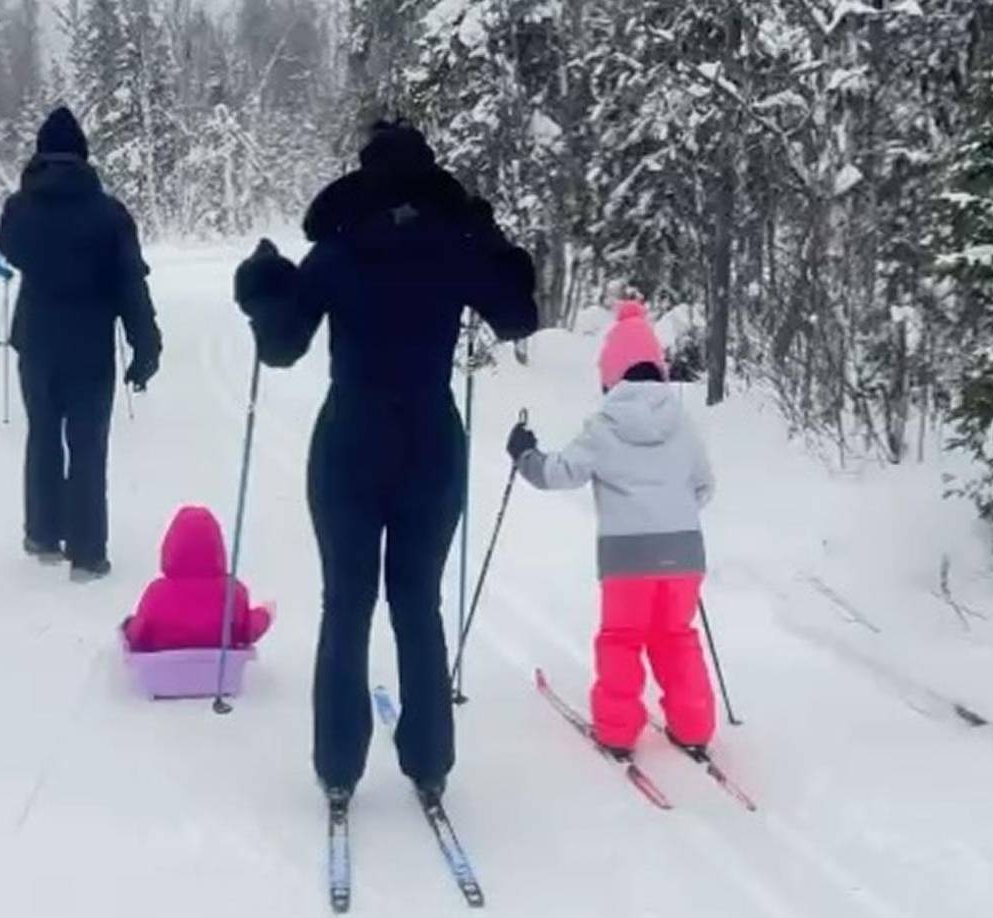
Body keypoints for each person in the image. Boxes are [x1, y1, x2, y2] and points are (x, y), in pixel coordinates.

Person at [233, 120, 538, 805]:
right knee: (416, 605)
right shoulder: (455, 243)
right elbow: (518, 317)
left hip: (349, 440)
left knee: (345, 606)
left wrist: (261, 285)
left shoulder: (338, 250)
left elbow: (281, 348)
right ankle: (429, 762)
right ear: (428, 176)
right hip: (430, 440)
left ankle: (338, 767)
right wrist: (489, 239)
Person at [506, 300, 717, 758]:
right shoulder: (682, 423)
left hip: (628, 559)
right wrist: (675, 514)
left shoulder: (605, 425)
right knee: (677, 637)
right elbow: (704, 486)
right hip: (684, 555)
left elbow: (558, 474)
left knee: (622, 640)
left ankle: (618, 732)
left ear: (610, 373)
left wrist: (526, 455)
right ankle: (695, 724)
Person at [0, 107, 162, 581]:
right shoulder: (108, 213)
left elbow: (10, 250)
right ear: (84, 156)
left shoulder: (19, 208)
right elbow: (131, 281)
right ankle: (87, 553)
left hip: (37, 341)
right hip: (90, 345)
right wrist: (145, 345)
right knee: (88, 445)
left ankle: (43, 533)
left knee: (42, 434)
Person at [124, 506, 272, 653]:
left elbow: (139, 635)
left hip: (164, 674)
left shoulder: (156, 595)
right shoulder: (233, 593)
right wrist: (265, 614)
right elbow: (247, 631)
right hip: (221, 674)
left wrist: (128, 626)